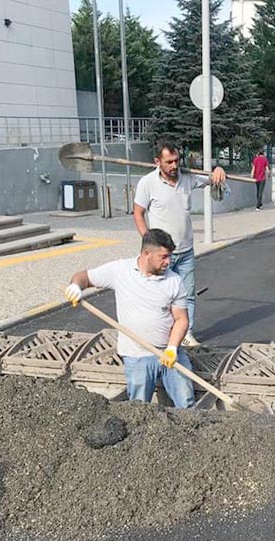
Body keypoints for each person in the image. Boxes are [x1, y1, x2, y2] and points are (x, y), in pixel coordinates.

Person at [64, 229, 196, 408]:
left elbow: (181, 319)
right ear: (146, 254)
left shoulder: (173, 281)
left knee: (186, 402)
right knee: (138, 408)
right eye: (163, 257)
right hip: (137, 355)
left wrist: (172, 348)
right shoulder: (120, 271)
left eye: (169, 257)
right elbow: (83, 277)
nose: (168, 262)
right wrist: (75, 287)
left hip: (170, 354)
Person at [133, 140, 226, 347]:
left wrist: (218, 170)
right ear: (157, 161)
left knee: (187, 295)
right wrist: (148, 243)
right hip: (162, 253)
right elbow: (138, 213)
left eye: (176, 160)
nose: (174, 166)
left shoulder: (188, 177)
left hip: (186, 251)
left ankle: (186, 334)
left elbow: (213, 179)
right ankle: (158, 336)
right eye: (169, 162)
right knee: (160, 296)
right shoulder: (147, 183)